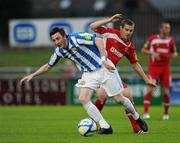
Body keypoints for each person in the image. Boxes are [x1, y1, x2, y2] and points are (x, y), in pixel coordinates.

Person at [20, 27, 148, 134]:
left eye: (58, 38)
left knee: (119, 99)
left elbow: (98, 40)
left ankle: (137, 117)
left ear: (65, 36)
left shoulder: (76, 38)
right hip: (88, 73)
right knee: (83, 98)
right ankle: (105, 127)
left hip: (103, 67)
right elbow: (48, 65)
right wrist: (32, 75)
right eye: (54, 40)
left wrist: (104, 58)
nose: (57, 42)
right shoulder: (59, 51)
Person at [90, 14, 156, 133]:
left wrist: (146, 80)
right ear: (120, 28)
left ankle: (136, 128)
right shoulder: (109, 33)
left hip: (111, 73)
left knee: (128, 95)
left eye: (131, 30)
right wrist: (109, 20)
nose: (129, 32)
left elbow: (135, 64)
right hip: (98, 70)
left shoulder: (130, 47)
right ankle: (92, 125)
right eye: (126, 29)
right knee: (102, 96)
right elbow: (93, 26)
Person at [141, 22, 178, 120]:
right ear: (161, 29)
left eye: (169, 28)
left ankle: (166, 114)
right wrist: (153, 52)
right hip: (154, 68)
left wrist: (170, 55)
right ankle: (145, 113)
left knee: (166, 91)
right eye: (166, 28)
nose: (168, 30)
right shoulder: (152, 39)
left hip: (165, 68)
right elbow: (143, 50)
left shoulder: (170, 40)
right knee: (150, 89)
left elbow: (175, 53)